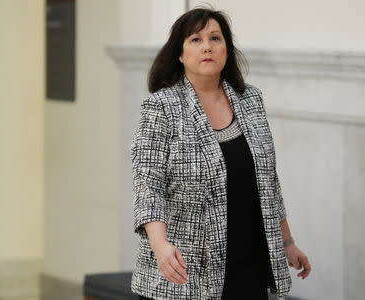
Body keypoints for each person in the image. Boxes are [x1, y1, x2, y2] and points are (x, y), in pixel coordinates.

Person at [130, 6, 311, 300]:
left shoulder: (250, 99)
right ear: (179, 53)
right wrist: (160, 245)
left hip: (247, 264)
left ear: (226, 48)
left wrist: (287, 241)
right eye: (196, 40)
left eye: (215, 38)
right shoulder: (161, 107)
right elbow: (147, 185)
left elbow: (267, 181)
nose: (207, 47)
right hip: (183, 271)